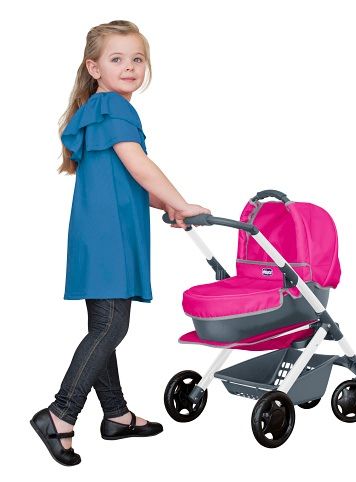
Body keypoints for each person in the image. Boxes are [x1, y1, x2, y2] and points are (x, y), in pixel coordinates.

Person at [30, 20, 211, 467]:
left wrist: (167, 206)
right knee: (111, 328)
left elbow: (127, 180)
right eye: (117, 59)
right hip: (109, 236)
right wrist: (182, 201)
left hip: (97, 234)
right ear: (94, 67)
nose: (130, 67)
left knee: (103, 327)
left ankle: (116, 416)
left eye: (137, 59)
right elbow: (140, 165)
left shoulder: (97, 108)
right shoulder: (114, 107)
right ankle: (60, 413)